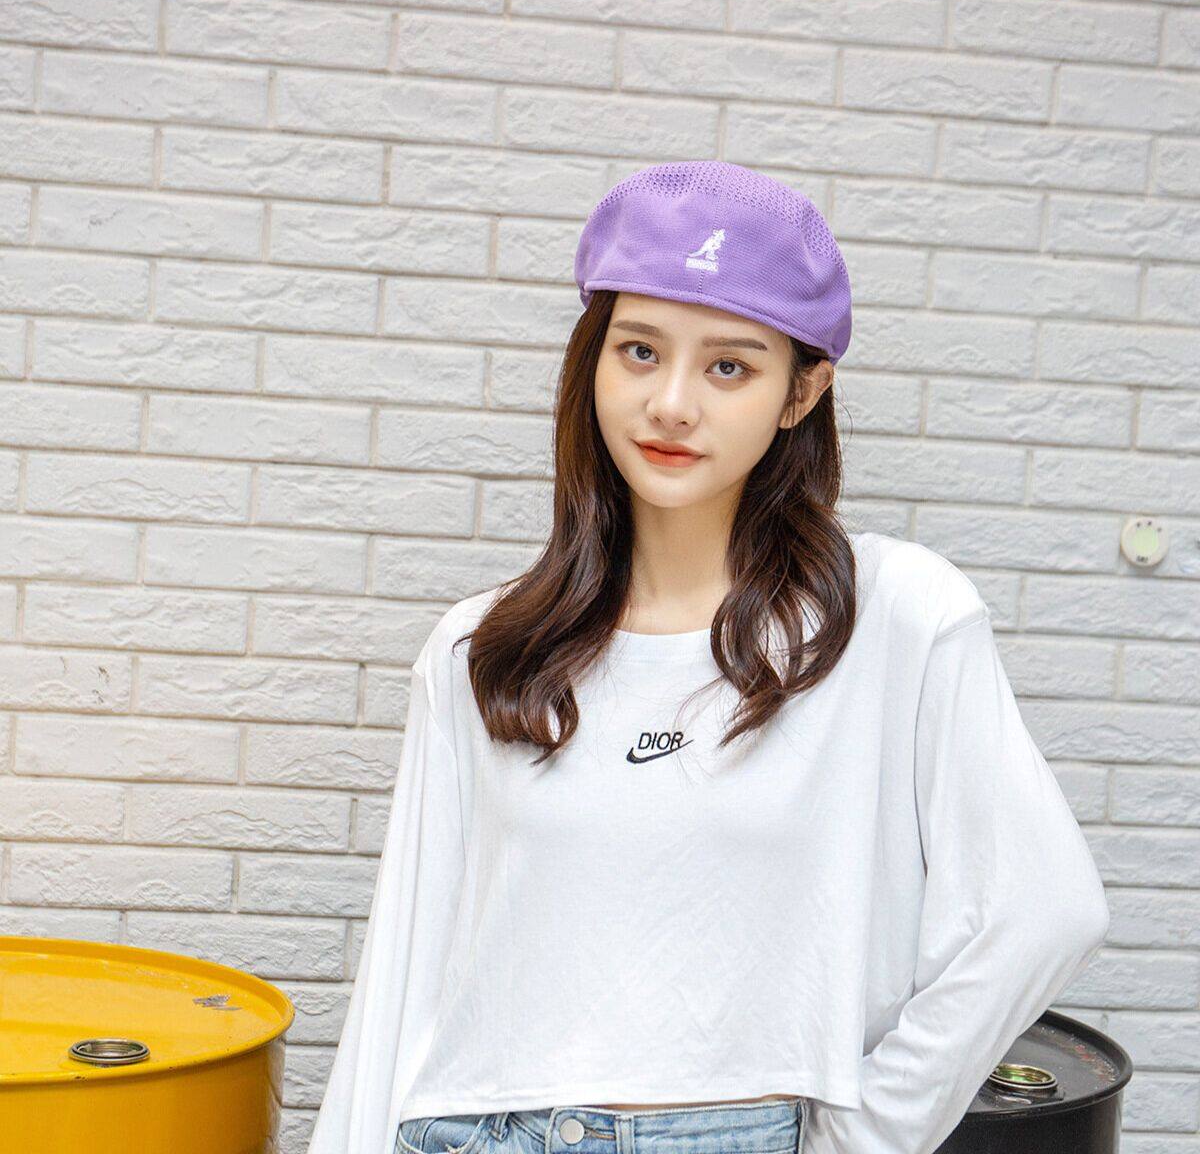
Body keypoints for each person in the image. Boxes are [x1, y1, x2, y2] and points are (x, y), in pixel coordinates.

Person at [305, 160, 1109, 1154]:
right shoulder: (487, 647)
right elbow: (406, 964)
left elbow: (1044, 910)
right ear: (593, 363)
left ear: (801, 391)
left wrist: (863, 1135)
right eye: (639, 351)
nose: (672, 404)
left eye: (729, 366)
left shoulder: (898, 617)